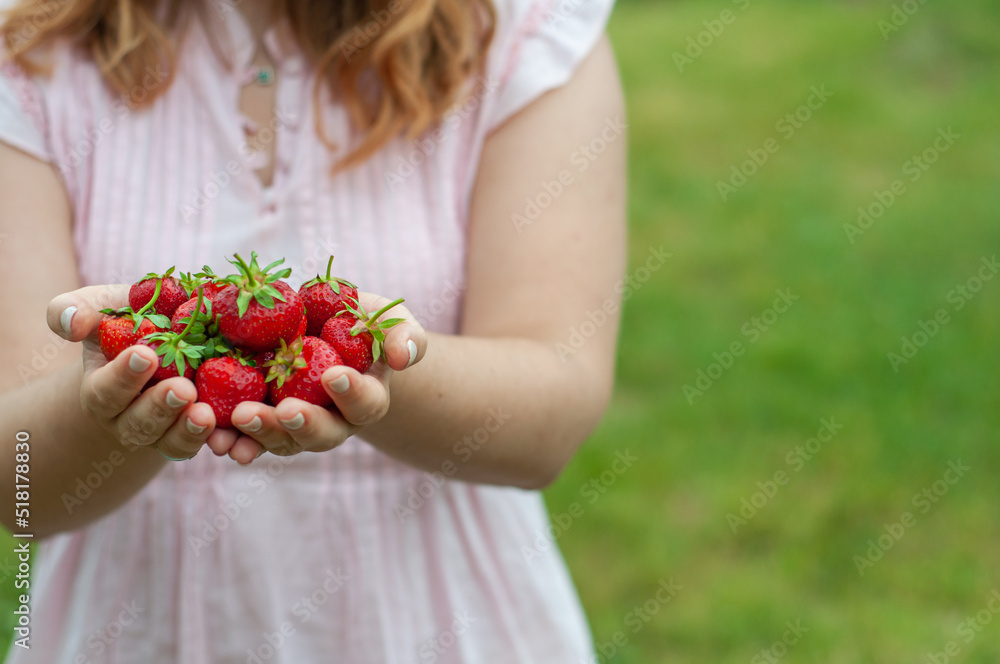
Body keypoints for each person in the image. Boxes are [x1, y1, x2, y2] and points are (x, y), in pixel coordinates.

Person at [0, 0, 625, 659]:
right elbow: (17, 486)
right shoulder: (31, 49)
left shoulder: (523, 32)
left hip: (442, 621)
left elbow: (551, 419)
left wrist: (380, 373)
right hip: (137, 627)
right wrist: (110, 405)